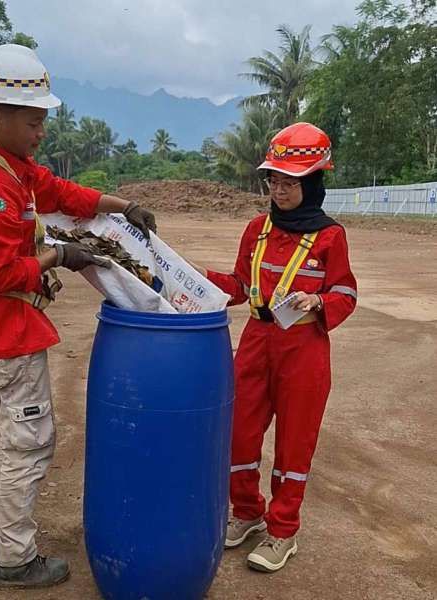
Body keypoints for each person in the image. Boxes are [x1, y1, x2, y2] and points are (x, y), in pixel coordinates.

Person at [0, 44, 156, 590]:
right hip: (3, 335)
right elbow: (0, 274)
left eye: (43, 121)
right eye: (33, 121)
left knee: (13, 436)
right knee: (32, 441)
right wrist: (60, 255)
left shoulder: (5, 165)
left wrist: (120, 206)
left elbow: (59, 191)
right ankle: (16, 558)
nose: (41, 133)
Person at [196, 122, 357, 572]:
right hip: (255, 339)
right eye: (275, 180)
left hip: (303, 345)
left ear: (313, 183)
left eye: (291, 182)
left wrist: (320, 300)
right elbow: (239, 285)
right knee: (239, 432)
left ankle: (282, 531)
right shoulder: (256, 229)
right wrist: (195, 278)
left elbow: (347, 293)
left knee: (294, 442)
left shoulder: (330, 237)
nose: (280, 189)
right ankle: (247, 513)